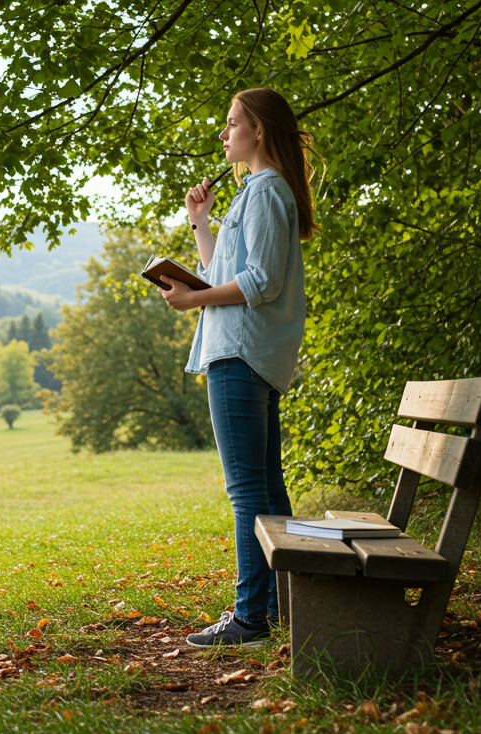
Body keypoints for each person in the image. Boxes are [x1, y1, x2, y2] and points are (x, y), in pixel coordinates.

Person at [157, 87, 320, 647]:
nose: (224, 133)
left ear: (259, 131)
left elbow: (260, 284)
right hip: (244, 352)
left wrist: (192, 301)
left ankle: (250, 617)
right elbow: (221, 274)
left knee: (248, 490)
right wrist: (199, 221)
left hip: (240, 354)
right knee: (267, 488)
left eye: (232, 123)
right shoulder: (254, 193)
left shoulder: (267, 191)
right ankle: (277, 606)